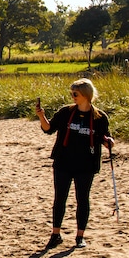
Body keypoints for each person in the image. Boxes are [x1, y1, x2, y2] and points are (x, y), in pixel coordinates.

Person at [35, 78, 113, 249]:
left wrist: (108, 142)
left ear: (85, 94)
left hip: (86, 165)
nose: (73, 96)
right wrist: (41, 116)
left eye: (75, 94)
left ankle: (80, 236)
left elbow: (104, 137)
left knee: (82, 199)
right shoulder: (66, 112)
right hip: (63, 162)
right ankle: (55, 234)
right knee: (59, 198)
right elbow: (49, 129)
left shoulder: (99, 117)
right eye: (72, 93)